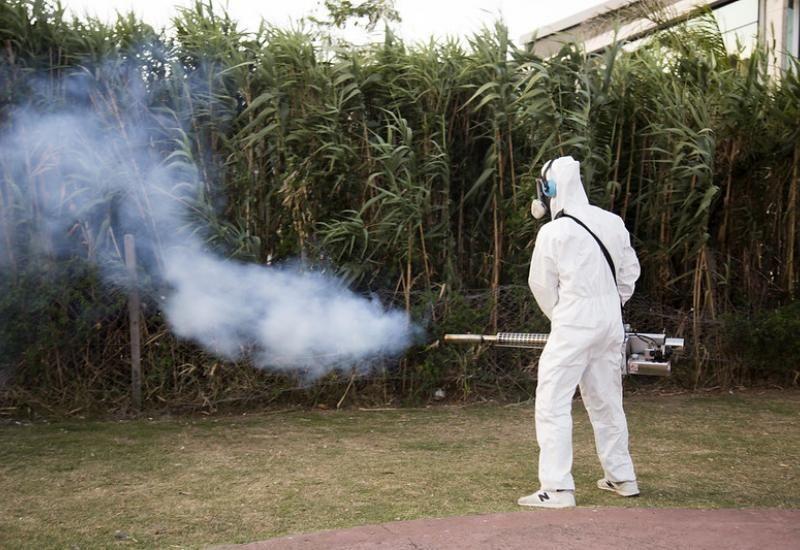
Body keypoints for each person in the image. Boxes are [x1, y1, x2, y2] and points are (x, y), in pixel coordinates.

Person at [517, 155, 641, 509]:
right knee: (607, 400)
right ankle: (622, 477)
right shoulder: (612, 222)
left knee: (552, 400)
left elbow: (541, 285)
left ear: (549, 188)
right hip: (610, 319)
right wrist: (610, 305)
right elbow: (630, 272)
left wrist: (563, 317)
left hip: (574, 319)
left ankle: (557, 489)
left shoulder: (553, 232)